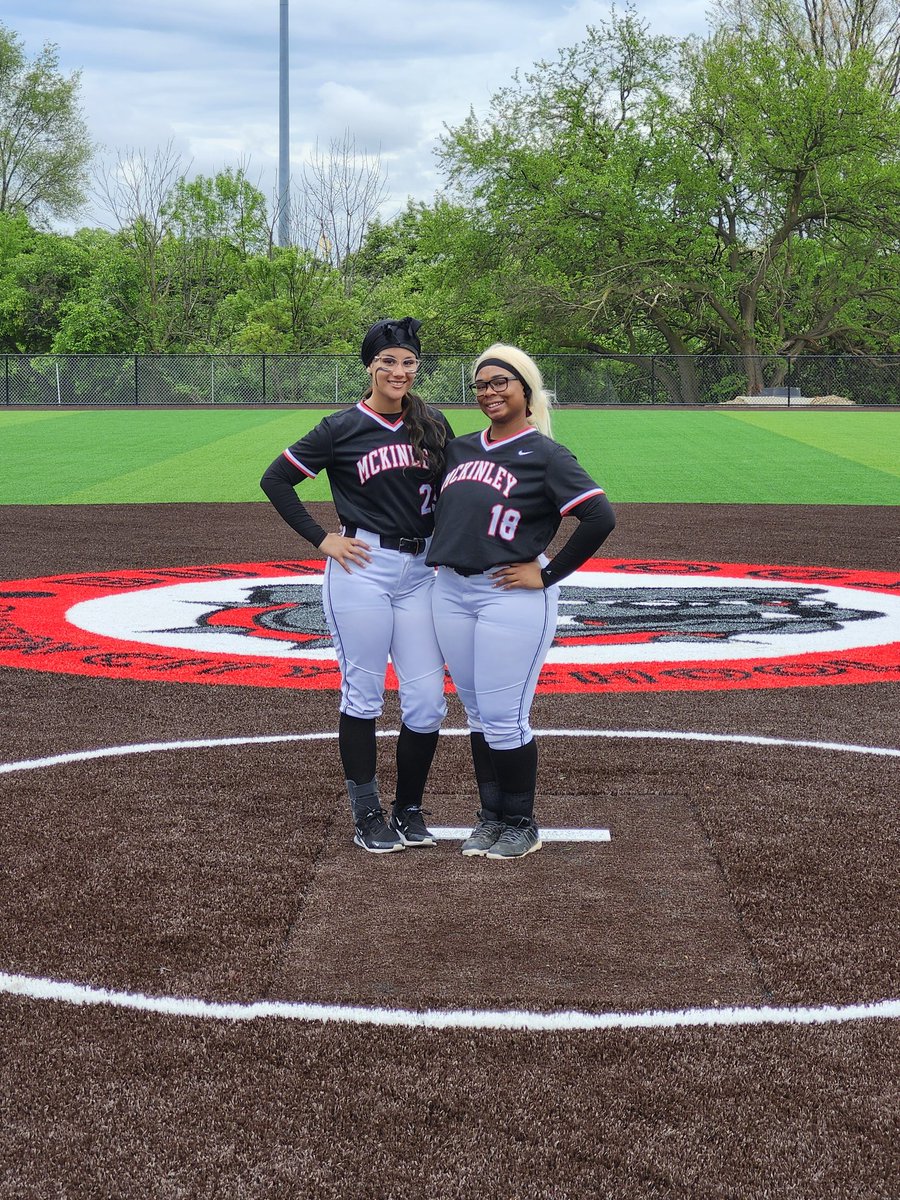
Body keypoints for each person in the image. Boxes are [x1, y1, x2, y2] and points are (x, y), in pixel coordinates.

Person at [260, 317, 453, 854]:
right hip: (361, 568)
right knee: (364, 694)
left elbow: (457, 492)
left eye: (408, 362)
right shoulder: (341, 427)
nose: (399, 371)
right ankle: (367, 813)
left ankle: (409, 809)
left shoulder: (433, 424)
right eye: (388, 361)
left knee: (427, 701)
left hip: (420, 573)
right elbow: (276, 479)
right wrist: (322, 539)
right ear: (370, 366)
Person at [427, 343, 616, 859]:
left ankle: (522, 822)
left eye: (500, 382)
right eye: (481, 385)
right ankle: (490, 818)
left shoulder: (547, 455)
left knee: (506, 715)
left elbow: (600, 516)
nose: (489, 392)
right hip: (451, 591)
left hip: (507, 594)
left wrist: (547, 573)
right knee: (478, 714)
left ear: (525, 390)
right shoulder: (460, 449)